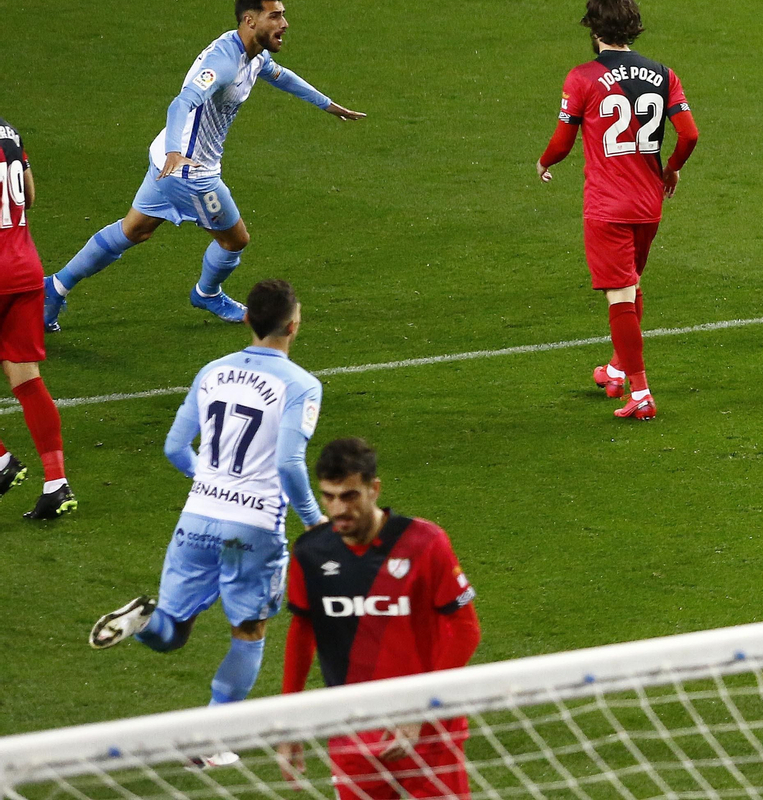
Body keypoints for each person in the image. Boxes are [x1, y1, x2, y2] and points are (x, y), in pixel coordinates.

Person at [88, 279, 325, 763]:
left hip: (197, 516)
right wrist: (315, 521)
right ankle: (211, 742)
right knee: (249, 630)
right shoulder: (301, 385)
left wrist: (211, 481)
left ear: (246, 320)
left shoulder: (212, 371)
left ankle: (143, 621)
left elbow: (175, 446)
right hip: (253, 528)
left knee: (172, 629)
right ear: (293, 325)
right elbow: (287, 463)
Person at [43, 0, 364, 330]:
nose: (284, 23)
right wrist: (175, 154)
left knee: (133, 230)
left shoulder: (252, 53)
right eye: (275, 15)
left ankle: (55, 286)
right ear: (250, 20)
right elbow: (181, 102)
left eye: (283, 14)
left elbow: (280, 76)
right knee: (234, 240)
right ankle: (207, 293)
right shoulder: (222, 63)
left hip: (168, 159)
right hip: (189, 170)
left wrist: (327, 104)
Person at [276, 437, 481, 800]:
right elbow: (302, 633)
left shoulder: (424, 542)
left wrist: (420, 708)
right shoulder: (311, 553)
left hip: (431, 732)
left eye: (350, 496)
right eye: (329, 496)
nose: (338, 509)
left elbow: (465, 629)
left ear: (374, 489)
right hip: (354, 732)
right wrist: (288, 725)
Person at [537, 0, 700, 420]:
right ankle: (615, 369)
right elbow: (689, 134)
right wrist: (671, 169)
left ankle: (641, 392)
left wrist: (544, 161)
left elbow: (562, 141)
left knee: (620, 293)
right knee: (629, 286)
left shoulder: (583, 77)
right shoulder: (664, 74)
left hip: (608, 206)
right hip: (649, 202)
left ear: (592, 27)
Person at [0, 115, 75, 519]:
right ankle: (56, 483)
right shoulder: (10, 131)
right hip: (25, 269)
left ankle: (1, 464)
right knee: (26, 380)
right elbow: (28, 196)